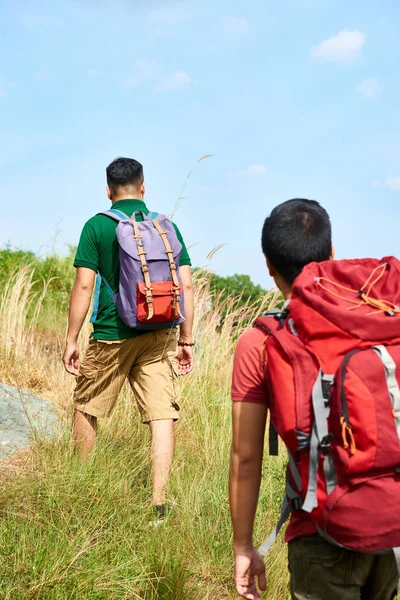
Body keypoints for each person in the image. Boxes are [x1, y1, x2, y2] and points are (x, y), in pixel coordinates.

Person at [229, 199, 398, 600]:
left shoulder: (261, 342)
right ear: (332, 254)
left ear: (268, 265)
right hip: (392, 525)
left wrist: (243, 547)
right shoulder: (382, 317)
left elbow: (245, 455)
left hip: (323, 531)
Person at [62, 157, 194, 521]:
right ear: (143, 187)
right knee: (162, 414)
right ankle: (159, 504)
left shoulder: (97, 226)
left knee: (88, 405)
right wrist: (187, 339)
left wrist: (72, 339)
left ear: (108, 191)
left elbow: (84, 284)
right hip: (160, 332)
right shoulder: (166, 226)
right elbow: (186, 284)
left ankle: (82, 492)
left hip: (112, 332)